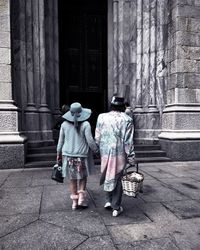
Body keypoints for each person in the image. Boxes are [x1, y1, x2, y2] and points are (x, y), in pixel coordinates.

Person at [95, 96, 135, 217]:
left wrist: (98, 149)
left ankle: (108, 200)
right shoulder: (127, 119)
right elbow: (128, 141)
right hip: (119, 154)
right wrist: (131, 157)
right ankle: (116, 207)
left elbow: (97, 135)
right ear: (122, 106)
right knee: (117, 179)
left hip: (105, 152)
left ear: (111, 105)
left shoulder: (101, 117)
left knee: (107, 174)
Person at [56, 102, 99, 210]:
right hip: (82, 156)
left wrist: (58, 154)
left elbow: (60, 142)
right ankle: (81, 199)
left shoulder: (64, 125)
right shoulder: (86, 124)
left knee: (72, 179)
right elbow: (90, 140)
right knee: (83, 177)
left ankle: (74, 202)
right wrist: (96, 150)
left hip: (68, 155)